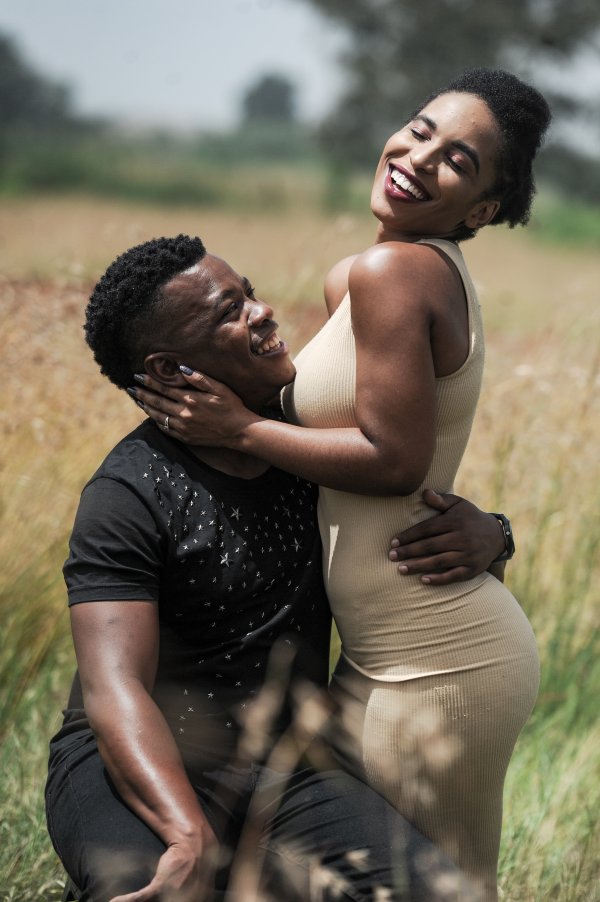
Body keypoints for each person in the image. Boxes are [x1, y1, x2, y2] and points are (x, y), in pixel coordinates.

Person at [132, 69, 551, 900]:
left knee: (438, 888)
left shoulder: (397, 274)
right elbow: (330, 424)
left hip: (432, 660)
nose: (419, 156)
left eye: (458, 161)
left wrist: (242, 429)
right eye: (421, 129)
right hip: (376, 656)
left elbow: (396, 461)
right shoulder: (364, 275)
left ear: (480, 211)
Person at [45, 235, 505, 902]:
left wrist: (494, 534)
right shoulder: (130, 492)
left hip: (282, 771)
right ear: (173, 370)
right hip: (135, 764)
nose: (262, 313)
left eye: (250, 292)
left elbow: (414, 508)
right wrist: (185, 832)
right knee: (160, 888)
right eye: (230, 311)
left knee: (435, 894)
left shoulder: (311, 450)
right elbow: (115, 687)